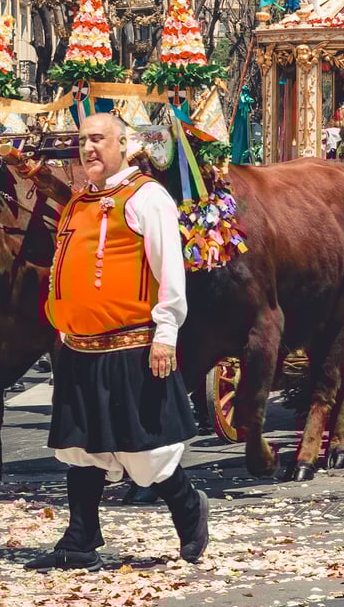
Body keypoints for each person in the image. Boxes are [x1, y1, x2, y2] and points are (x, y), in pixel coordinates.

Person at [25, 112, 208, 572]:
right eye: (83, 141)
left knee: (144, 454)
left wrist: (166, 334)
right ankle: (80, 538)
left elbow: (170, 270)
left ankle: (189, 509)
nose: (88, 148)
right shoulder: (78, 202)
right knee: (80, 449)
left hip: (131, 346)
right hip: (79, 349)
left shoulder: (146, 197)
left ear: (124, 144)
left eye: (98, 139)